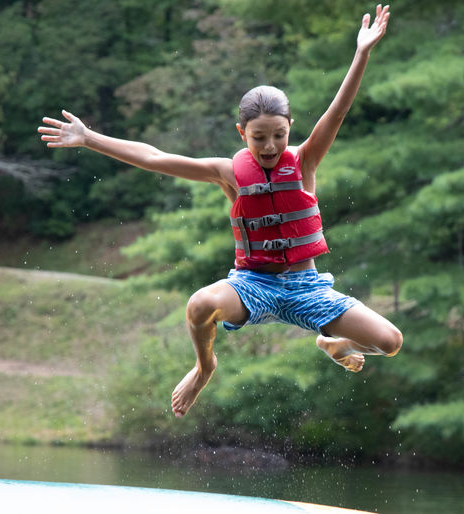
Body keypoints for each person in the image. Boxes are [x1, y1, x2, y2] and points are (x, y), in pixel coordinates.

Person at [38, 4, 402, 418]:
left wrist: (361, 53)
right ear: (242, 133)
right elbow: (155, 157)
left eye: (279, 135)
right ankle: (204, 366)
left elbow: (338, 111)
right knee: (199, 306)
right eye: (259, 137)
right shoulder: (227, 172)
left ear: (290, 128)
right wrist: (90, 138)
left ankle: (333, 343)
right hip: (252, 285)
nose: (269, 146)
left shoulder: (305, 162)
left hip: (307, 288)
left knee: (389, 342)